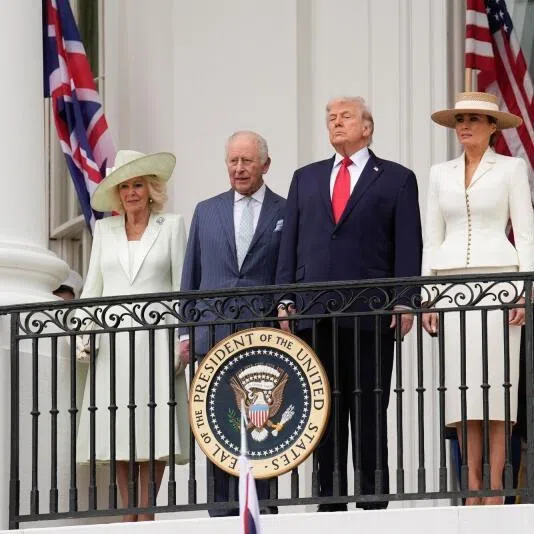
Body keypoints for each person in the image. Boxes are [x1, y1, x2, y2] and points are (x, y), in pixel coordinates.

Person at [276, 96, 422, 511]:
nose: (336, 123)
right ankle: (329, 501)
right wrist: (286, 298)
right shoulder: (306, 178)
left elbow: (409, 244)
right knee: (323, 410)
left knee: (371, 405)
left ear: (367, 128)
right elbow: (292, 244)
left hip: (371, 313)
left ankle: (373, 500)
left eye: (346, 117)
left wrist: (406, 301)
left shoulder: (396, 178)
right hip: (314, 312)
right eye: (330, 118)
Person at [422, 91, 534, 505]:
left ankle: (498, 487)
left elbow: (524, 232)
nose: (464, 126)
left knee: (498, 392)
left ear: (492, 128)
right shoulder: (439, 173)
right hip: (452, 288)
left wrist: (524, 291)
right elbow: (432, 237)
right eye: (459, 120)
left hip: (500, 284)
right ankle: (471, 486)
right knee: (462, 390)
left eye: (473, 119)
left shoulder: (511, 168)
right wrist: (429, 296)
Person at [76, 150, 190, 522]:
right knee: (118, 428)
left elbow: (180, 290)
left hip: (158, 343)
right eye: (124, 186)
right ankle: (129, 513)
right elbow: (93, 288)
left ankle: (148, 512)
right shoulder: (105, 231)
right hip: (113, 346)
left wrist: (182, 339)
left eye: (137, 184)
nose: (131, 193)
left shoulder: (171, 226)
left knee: (154, 425)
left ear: (151, 188)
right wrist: (82, 332)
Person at [179, 130, 285, 516]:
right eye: (233, 161)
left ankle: (262, 510)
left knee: (264, 425)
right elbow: (190, 277)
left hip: (263, 336)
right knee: (216, 423)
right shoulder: (206, 211)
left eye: (246, 161)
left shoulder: (285, 211)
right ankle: (221, 512)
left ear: (265, 165)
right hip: (212, 333)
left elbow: (286, 275)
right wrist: (185, 332)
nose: (239, 169)